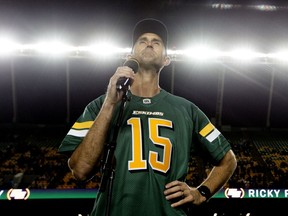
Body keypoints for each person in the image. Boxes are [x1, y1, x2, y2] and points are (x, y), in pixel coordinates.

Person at [58, 18, 237, 216]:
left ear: (167, 59)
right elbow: (80, 170)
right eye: (142, 40)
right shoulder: (100, 105)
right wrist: (110, 103)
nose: (150, 42)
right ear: (129, 55)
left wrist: (201, 192)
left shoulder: (188, 110)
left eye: (157, 41)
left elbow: (228, 159)